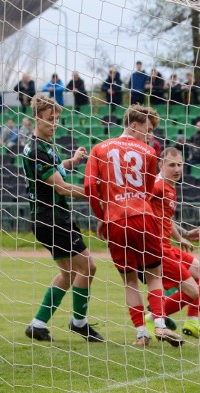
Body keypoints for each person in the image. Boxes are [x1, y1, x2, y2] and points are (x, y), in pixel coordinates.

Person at [84, 104, 183, 347]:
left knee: (129, 280)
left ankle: (141, 333)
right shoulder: (149, 152)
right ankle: (159, 324)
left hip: (115, 220)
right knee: (154, 276)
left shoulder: (98, 148)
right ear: (134, 125)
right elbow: (149, 188)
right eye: (147, 130)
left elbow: (89, 187)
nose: (149, 136)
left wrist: (102, 216)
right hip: (143, 217)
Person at [21, 93, 103, 343]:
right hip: (52, 219)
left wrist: (72, 162)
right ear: (36, 118)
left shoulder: (45, 145)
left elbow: (56, 169)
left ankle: (37, 324)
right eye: (49, 119)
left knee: (69, 273)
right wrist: (97, 193)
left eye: (57, 119)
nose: (54, 124)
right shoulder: (37, 149)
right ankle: (79, 323)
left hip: (47, 219)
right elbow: (61, 187)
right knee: (88, 267)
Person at [147, 147, 200, 339]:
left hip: (168, 246)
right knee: (193, 291)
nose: (176, 169)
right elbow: (140, 202)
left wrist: (182, 235)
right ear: (161, 165)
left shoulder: (170, 186)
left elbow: (165, 218)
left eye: (179, 165)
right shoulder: (158, 185)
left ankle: (192, 323)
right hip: (157, 249)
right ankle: (153, 317)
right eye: (171, 165)